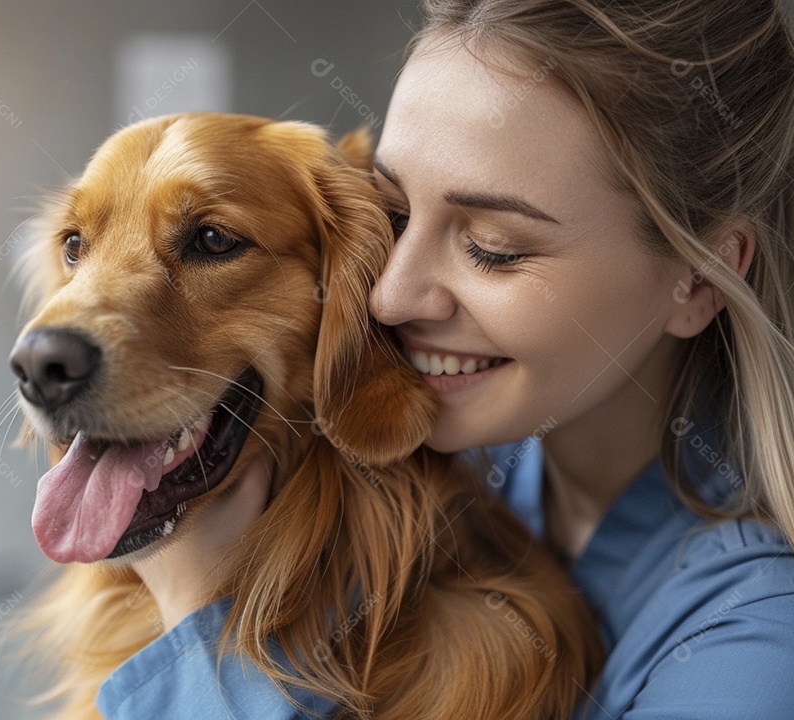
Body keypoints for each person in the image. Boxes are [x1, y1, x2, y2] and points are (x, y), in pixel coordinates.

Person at [99, 1, 794, 717]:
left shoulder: (757, 649)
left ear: (701, 275)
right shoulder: (454, 459)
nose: (392, 295)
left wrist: (195, 611)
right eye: (394, 216)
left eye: (493, 247)